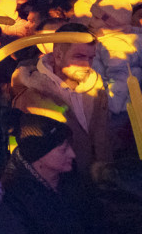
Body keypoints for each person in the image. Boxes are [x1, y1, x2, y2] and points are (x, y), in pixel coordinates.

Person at [12, 23, 111, 177]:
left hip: (93, 179)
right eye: (79, 57)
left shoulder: (96, 87)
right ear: (58, 56)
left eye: (91, 58)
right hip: (56, 182)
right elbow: (28, 150)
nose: (87, 65)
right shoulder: (34, 95)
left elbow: (102, 135)